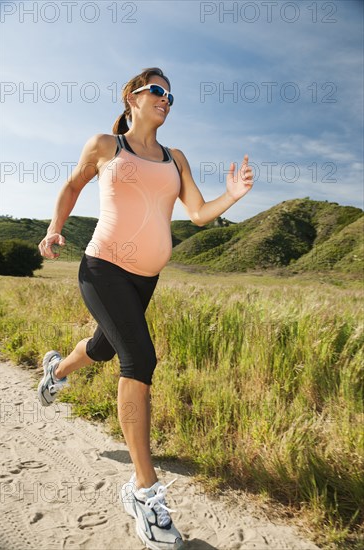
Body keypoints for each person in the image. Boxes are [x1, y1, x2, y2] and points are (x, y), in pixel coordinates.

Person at [37, 67, 254, 550]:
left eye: (170, 95)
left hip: (145, 278)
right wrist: (55, 228)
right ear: (131, 98)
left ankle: (57, 371)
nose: (166, 98)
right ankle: (143, 492)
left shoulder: (176, 159)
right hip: (102, 267)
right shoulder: (106, 146)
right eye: (156, 91)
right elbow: (73, 187)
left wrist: (231, 197)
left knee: (103, 347)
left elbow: (197, 213)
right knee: (139, 359)